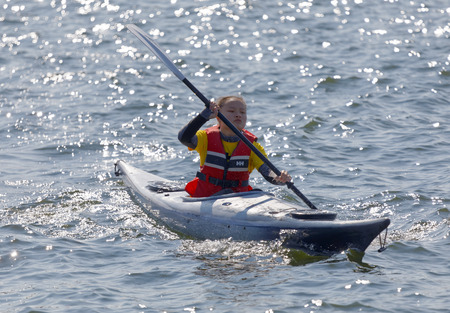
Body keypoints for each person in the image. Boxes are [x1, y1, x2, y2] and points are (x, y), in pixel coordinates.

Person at [178, 95, 292, 197]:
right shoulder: (205, 138)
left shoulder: (252, 145)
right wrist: (204, 116)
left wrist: (278, 178)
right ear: (218, 117)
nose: (238, 115)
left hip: (238, 198)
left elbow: (267, 171)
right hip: (206, 197)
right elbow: (184, 137)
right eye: (231, 111)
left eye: (242, 112)